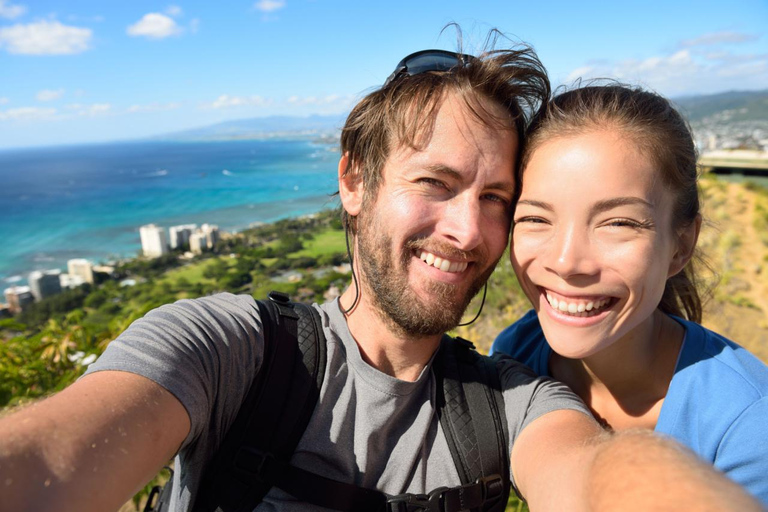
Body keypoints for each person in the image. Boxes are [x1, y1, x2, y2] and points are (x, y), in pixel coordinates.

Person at [0, 46, 761, 512]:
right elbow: (50, 460)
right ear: (354, 181)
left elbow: (595, 470)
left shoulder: (513, 396)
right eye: (434, 181)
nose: (467, 231)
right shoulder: (229, 350)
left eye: (495, 199)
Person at [491, 84, 768, 505]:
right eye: (535, 218)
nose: (567, 262)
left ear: (681, 245)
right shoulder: (517, 350)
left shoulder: (747, 423)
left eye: (618, 223)